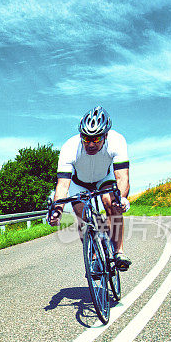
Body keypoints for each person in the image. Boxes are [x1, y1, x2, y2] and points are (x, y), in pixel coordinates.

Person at [48, 106, 132, 271]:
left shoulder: (117, 141)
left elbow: (122, 177)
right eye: (86, 139)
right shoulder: (69, 148)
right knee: (82, 215)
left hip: (104, 178)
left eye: (97, 139)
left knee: (111, 202)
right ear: (81, 136)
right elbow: (63, 185)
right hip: (79, 182)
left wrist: (121, 198)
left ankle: (119, 251)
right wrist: (57, 210)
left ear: (105, 135)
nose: (91, 143)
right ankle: (93, 257)